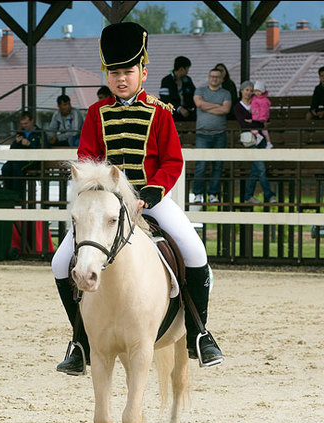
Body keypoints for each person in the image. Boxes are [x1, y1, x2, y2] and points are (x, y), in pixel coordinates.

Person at [52, 21, 224, 375]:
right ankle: (80, 340)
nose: (121, 78)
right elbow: (87, 159)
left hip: (152, 198)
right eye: (114, 72)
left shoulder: (160, 112)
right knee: (59, 262)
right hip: (107, 205)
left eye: (128, 71)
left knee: (195, 253)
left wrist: (152, 191)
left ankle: (198, 333)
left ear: (143, 72)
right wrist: (100, 191)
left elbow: (173, 160)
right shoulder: (96, 114)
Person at [191, 67, 232, 208]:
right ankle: (197, 194)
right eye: (212, 76)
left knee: (217, 165)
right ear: (209, 77)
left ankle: (213, 194)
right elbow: (198, 104)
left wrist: (206, 106)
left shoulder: (226, 93)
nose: (214, 79)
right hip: (202, 134)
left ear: (221, 79)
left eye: (217, 77)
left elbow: (226, 109)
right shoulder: (200, 90)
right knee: (201, 165)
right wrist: (217, 106)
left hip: (219, 133)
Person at [235, 81, 276, 204]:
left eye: (251, 90)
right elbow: (243, 124)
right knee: (261, 168)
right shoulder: (238, 107)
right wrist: (257, 122)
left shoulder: (256, 102)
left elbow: (265, 118)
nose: (249, 92)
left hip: (260, 138)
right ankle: (269, 194)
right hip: (249, 139)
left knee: (255, 169)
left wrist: (252, 121)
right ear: (241, 91)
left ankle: (248, 196)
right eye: (246, 90)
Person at [1, 111, 46, 198]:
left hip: (33, 161)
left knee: (17, 167)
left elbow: (43, 149)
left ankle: (18, 196)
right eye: (22, 124)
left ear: (32, 121)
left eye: (26, 123)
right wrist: (17, 142)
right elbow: (12, 149)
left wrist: (29, 145)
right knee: (6, 168)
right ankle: (7, 195)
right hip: (19, 160)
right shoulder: (20, 133)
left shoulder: (40, 133)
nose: (24, 126)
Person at [159, 56, 195, 121]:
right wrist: (179, 108)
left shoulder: (188, 80)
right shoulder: (166, 80)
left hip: (188, 114)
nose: (187, 72)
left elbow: (194, 94)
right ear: (181, 69)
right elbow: (165, 99)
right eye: (187, 69)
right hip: (172, 114)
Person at [250, 80, 273, 149]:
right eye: (255, 91)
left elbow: (264, 110)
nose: (257, 93)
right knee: (264, 131)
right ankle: (268, 142)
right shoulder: (255, 99)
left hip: (259, 118)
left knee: (253, 128)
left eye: (259, 91)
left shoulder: (263, 101)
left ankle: (259, 137)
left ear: (262, 91)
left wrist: (262, 118)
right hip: (255, 116)